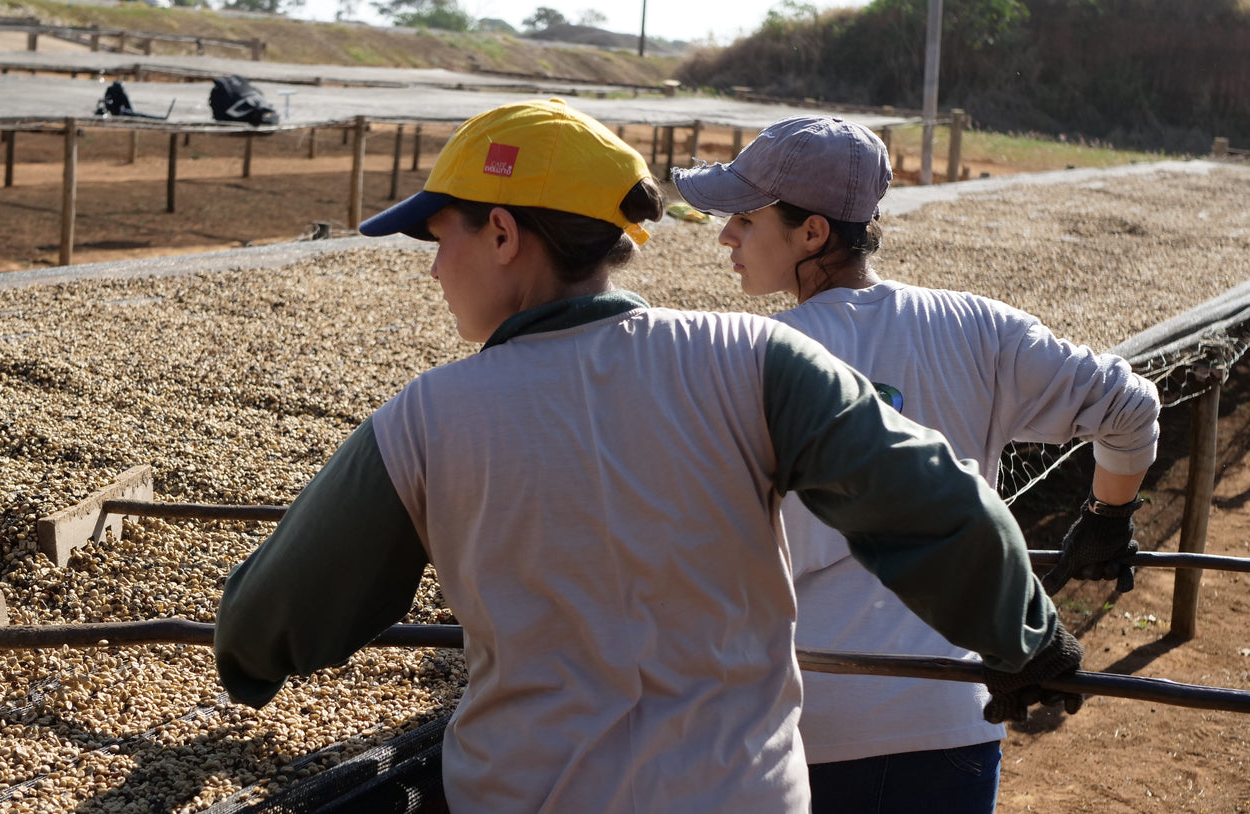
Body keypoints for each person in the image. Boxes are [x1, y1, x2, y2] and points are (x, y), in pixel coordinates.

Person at [213, 99, 1085, 814]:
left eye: (443, 238)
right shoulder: (755, 360)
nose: (437, 269)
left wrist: (249, 662)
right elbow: (936, 507)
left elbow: (270, 623)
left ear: (506, 235)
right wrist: (1028, 645)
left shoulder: (426, 420)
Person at [673, 115, 1161, 814]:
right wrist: (1107, 517)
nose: (724, 235)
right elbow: (1129, 408)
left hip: (800, 722)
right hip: (951, 717)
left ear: (811, 233)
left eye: (744, 219)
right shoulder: (979, 327)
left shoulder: (745, 356)